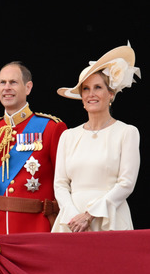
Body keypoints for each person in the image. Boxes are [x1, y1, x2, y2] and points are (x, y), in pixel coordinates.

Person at [52, 44, 141, 232]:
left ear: (110, 94)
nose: (91, 94)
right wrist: (73, 216)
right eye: (86, 89)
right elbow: (60, 184)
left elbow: (126, 184)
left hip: (111, 220)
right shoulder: (68, 136)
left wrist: (90, 215)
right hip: (71, 223)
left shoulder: (127, 132)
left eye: (98, 87)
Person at [0, 61, 67, 234]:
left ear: (28, 87)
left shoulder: (51, 128)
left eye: (13, 82)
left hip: (38, 227)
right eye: (3, 82)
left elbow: (63, 180)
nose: (7, 87)